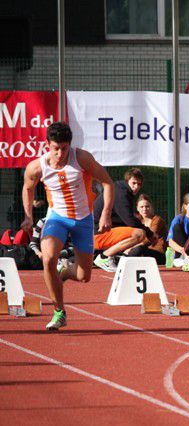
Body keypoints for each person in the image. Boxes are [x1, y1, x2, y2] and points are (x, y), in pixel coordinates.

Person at [20, 121, 114, 331]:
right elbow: (28, 188)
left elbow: (108, 183)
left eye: (64, 148)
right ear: (47, 145)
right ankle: (59, 311)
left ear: (69, 145)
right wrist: (28, 216)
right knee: (49, 257)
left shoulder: (81, 158)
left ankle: (64, 272)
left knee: (84, 276)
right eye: (56, 148)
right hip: (57, 218)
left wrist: (105, 215)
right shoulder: (37, 167)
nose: (60, 153)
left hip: (83, 220)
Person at [92, 168, 156, 272]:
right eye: (134, 183)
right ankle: (104, 257)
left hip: (98, 232)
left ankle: (108, 255)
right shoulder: (121, 193)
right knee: (139, 233)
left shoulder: (120, 189)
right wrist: (149, 233)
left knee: (135, 232)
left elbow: (125, 220)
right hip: (97, 235)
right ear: (127, 181)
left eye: (139, 184)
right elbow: (130, 221)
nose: (136, 187)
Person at [125, 194, 167, 265]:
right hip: (142, 252)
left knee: (139, 249)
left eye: (147, 206)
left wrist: (131, 248)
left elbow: (149, 239)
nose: (144, 209)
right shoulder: (137, 221)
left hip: (158, 254)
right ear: (137, 208)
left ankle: (123, 262)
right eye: (141, 207)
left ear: (151, 207)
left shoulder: (157, 220)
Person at [167, 192, 189, 268]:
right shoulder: (178, 219)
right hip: (182, 252)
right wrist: (183, 251)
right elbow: (170, 242)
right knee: (177, 227)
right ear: (185, 206)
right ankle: (185, 260)